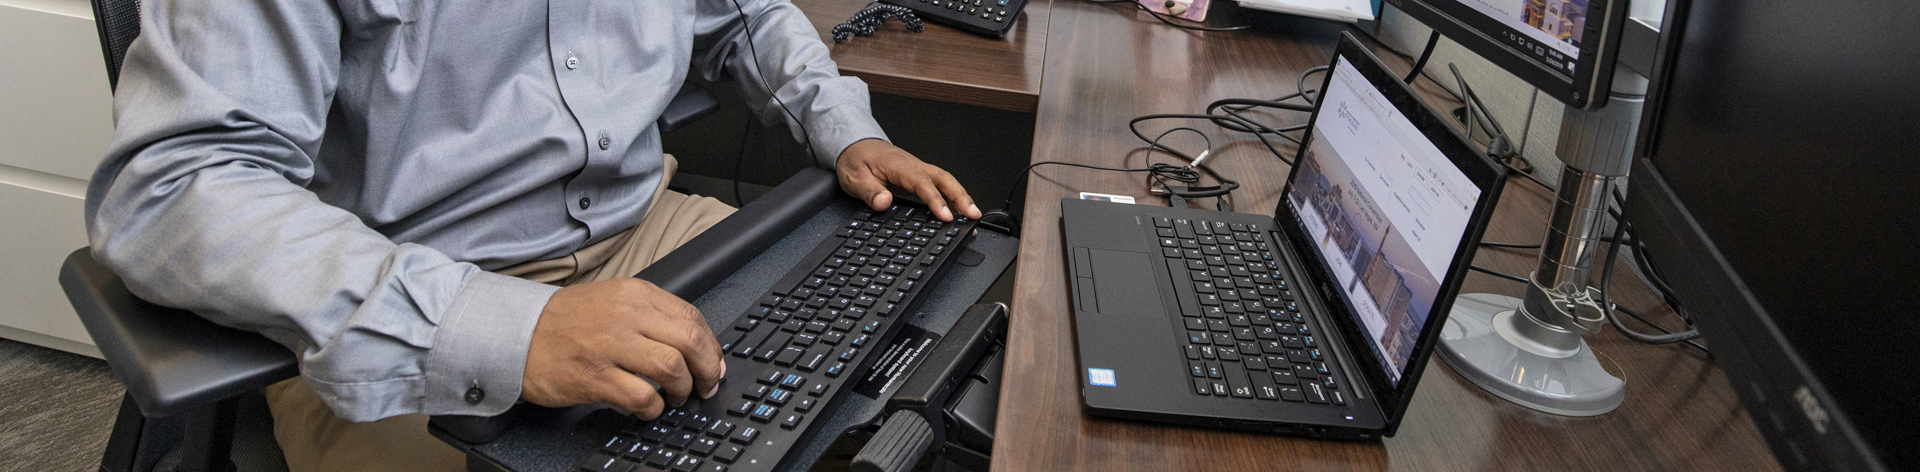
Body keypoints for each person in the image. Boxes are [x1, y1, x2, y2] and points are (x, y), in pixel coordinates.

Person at [84, 0, 981, 469]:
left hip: (651, 233)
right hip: (411, 295)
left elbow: (746, 12)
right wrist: (508, 328)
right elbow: (175, 187)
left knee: (919, 353)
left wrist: (847, 130)